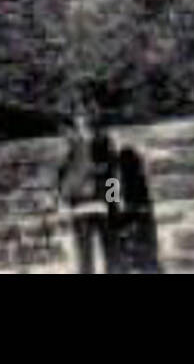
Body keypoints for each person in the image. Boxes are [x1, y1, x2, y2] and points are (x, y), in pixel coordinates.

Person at [58, 106, 112, 273]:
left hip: (101, 200)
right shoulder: (70, 143)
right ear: (75, 120)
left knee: (108, 248)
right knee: (83, 249)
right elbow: (63, 174)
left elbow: (112, 172)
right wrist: (63, 202)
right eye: (79, 116)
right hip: (79, 201)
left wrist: (113, 200)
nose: (83, 120)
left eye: (86, 116)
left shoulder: (103, 141)